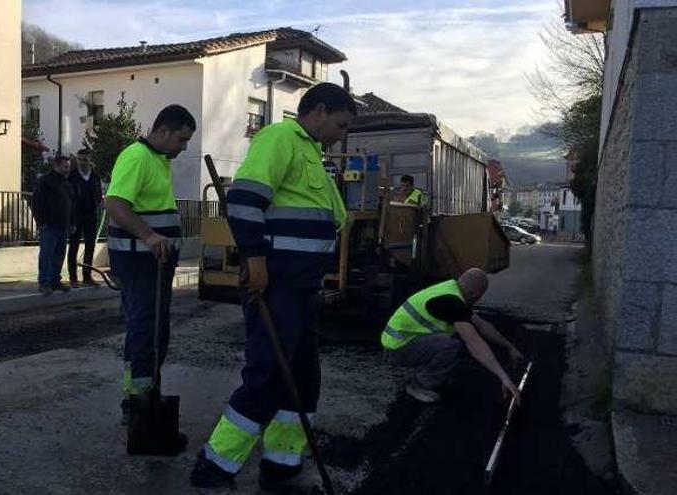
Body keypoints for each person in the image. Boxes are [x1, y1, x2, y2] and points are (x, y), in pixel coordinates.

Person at [190, 83, 355, 492]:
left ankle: (281, 463)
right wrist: (256, 259)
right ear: (317, 112)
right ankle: (215, 465)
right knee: (268, 374)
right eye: (340, 124)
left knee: (302, 377)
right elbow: (245, 199)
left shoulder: (311, 153)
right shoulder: (280, 138)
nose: (342, 134)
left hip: (301, 285)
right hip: (279, 281)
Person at [104, 105, 196, 439]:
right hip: (140, 261)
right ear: (163, 131)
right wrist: (149, 235)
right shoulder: (137, 156)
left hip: (152, 262)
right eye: (182, 139)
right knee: (145, 331)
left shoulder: (158, 160)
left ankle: (146, 393)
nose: (183, 147)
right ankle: (137, 401)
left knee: (155, 332)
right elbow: (114, 203)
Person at [382, 267, 525, 404]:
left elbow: (481, 325)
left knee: (456, 339)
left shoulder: (452, 290)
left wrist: (509, 347)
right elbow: (473, 341)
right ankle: (419, 385)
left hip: (405, 342)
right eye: (480, 296)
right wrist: (504, 377)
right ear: (476, 294)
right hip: (397, 349)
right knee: (452, 345)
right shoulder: (450, 302)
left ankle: (433, 374)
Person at [32, 155, 75, 295]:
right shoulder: (45, 182)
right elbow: (37, 202)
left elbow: (70, 205)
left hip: (63, 226)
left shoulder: (67, 184)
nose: (68, 169)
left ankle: (55, 280)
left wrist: (71, 223)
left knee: (58, 255)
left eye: (69, 166)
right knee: (47, 255)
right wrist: (41, 222)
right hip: (49, 225)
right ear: (57, 165)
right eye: (65, 166)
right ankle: (44, 282)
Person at [67, 150, 103, 288]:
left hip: (91, 214)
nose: (82, 162)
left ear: (90, 160)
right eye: (80, 159)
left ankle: (87, 277)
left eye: (85, 159)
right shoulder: (72, 177)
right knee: (74, 246)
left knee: (90, 246)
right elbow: (69, 197)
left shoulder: (95, 177)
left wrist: (98, 202)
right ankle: (73, 278)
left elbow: (98, 193)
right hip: (76, 215)